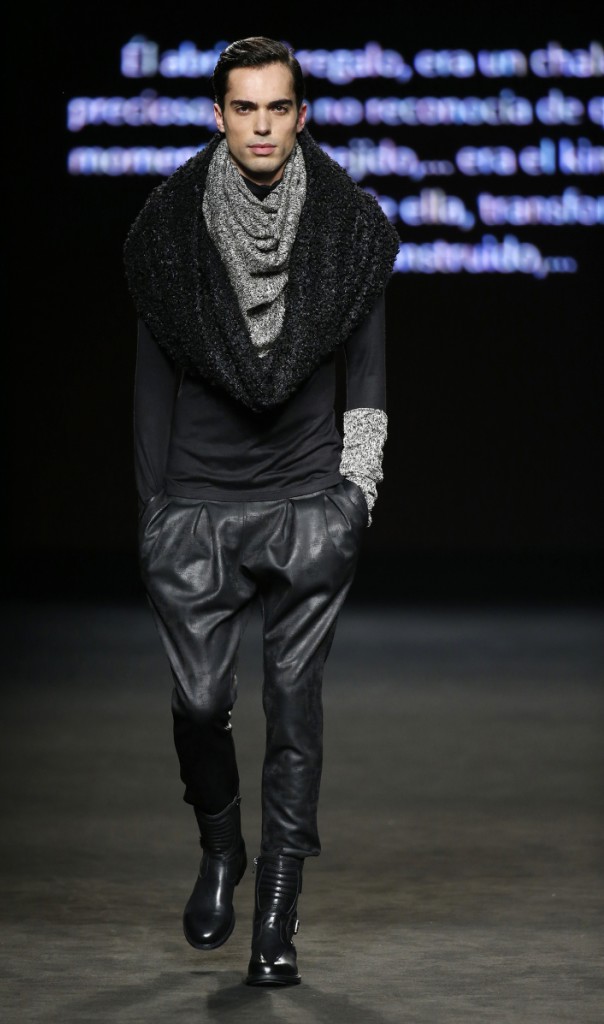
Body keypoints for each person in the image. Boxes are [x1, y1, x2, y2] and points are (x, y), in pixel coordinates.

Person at [123, 35, 399, 986]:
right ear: (218, 116)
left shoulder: (350, 229)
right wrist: (153, 512)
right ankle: (221, 845)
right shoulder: (168, 233)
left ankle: (278, 909)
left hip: (308, 498)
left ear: (302, 116)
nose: (262, 126)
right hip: (197, 500)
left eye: (278, 108)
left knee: (293, 705)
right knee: (201, 704)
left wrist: (357, 494)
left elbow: (368, 374)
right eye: (244, 108)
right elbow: (150, 390)